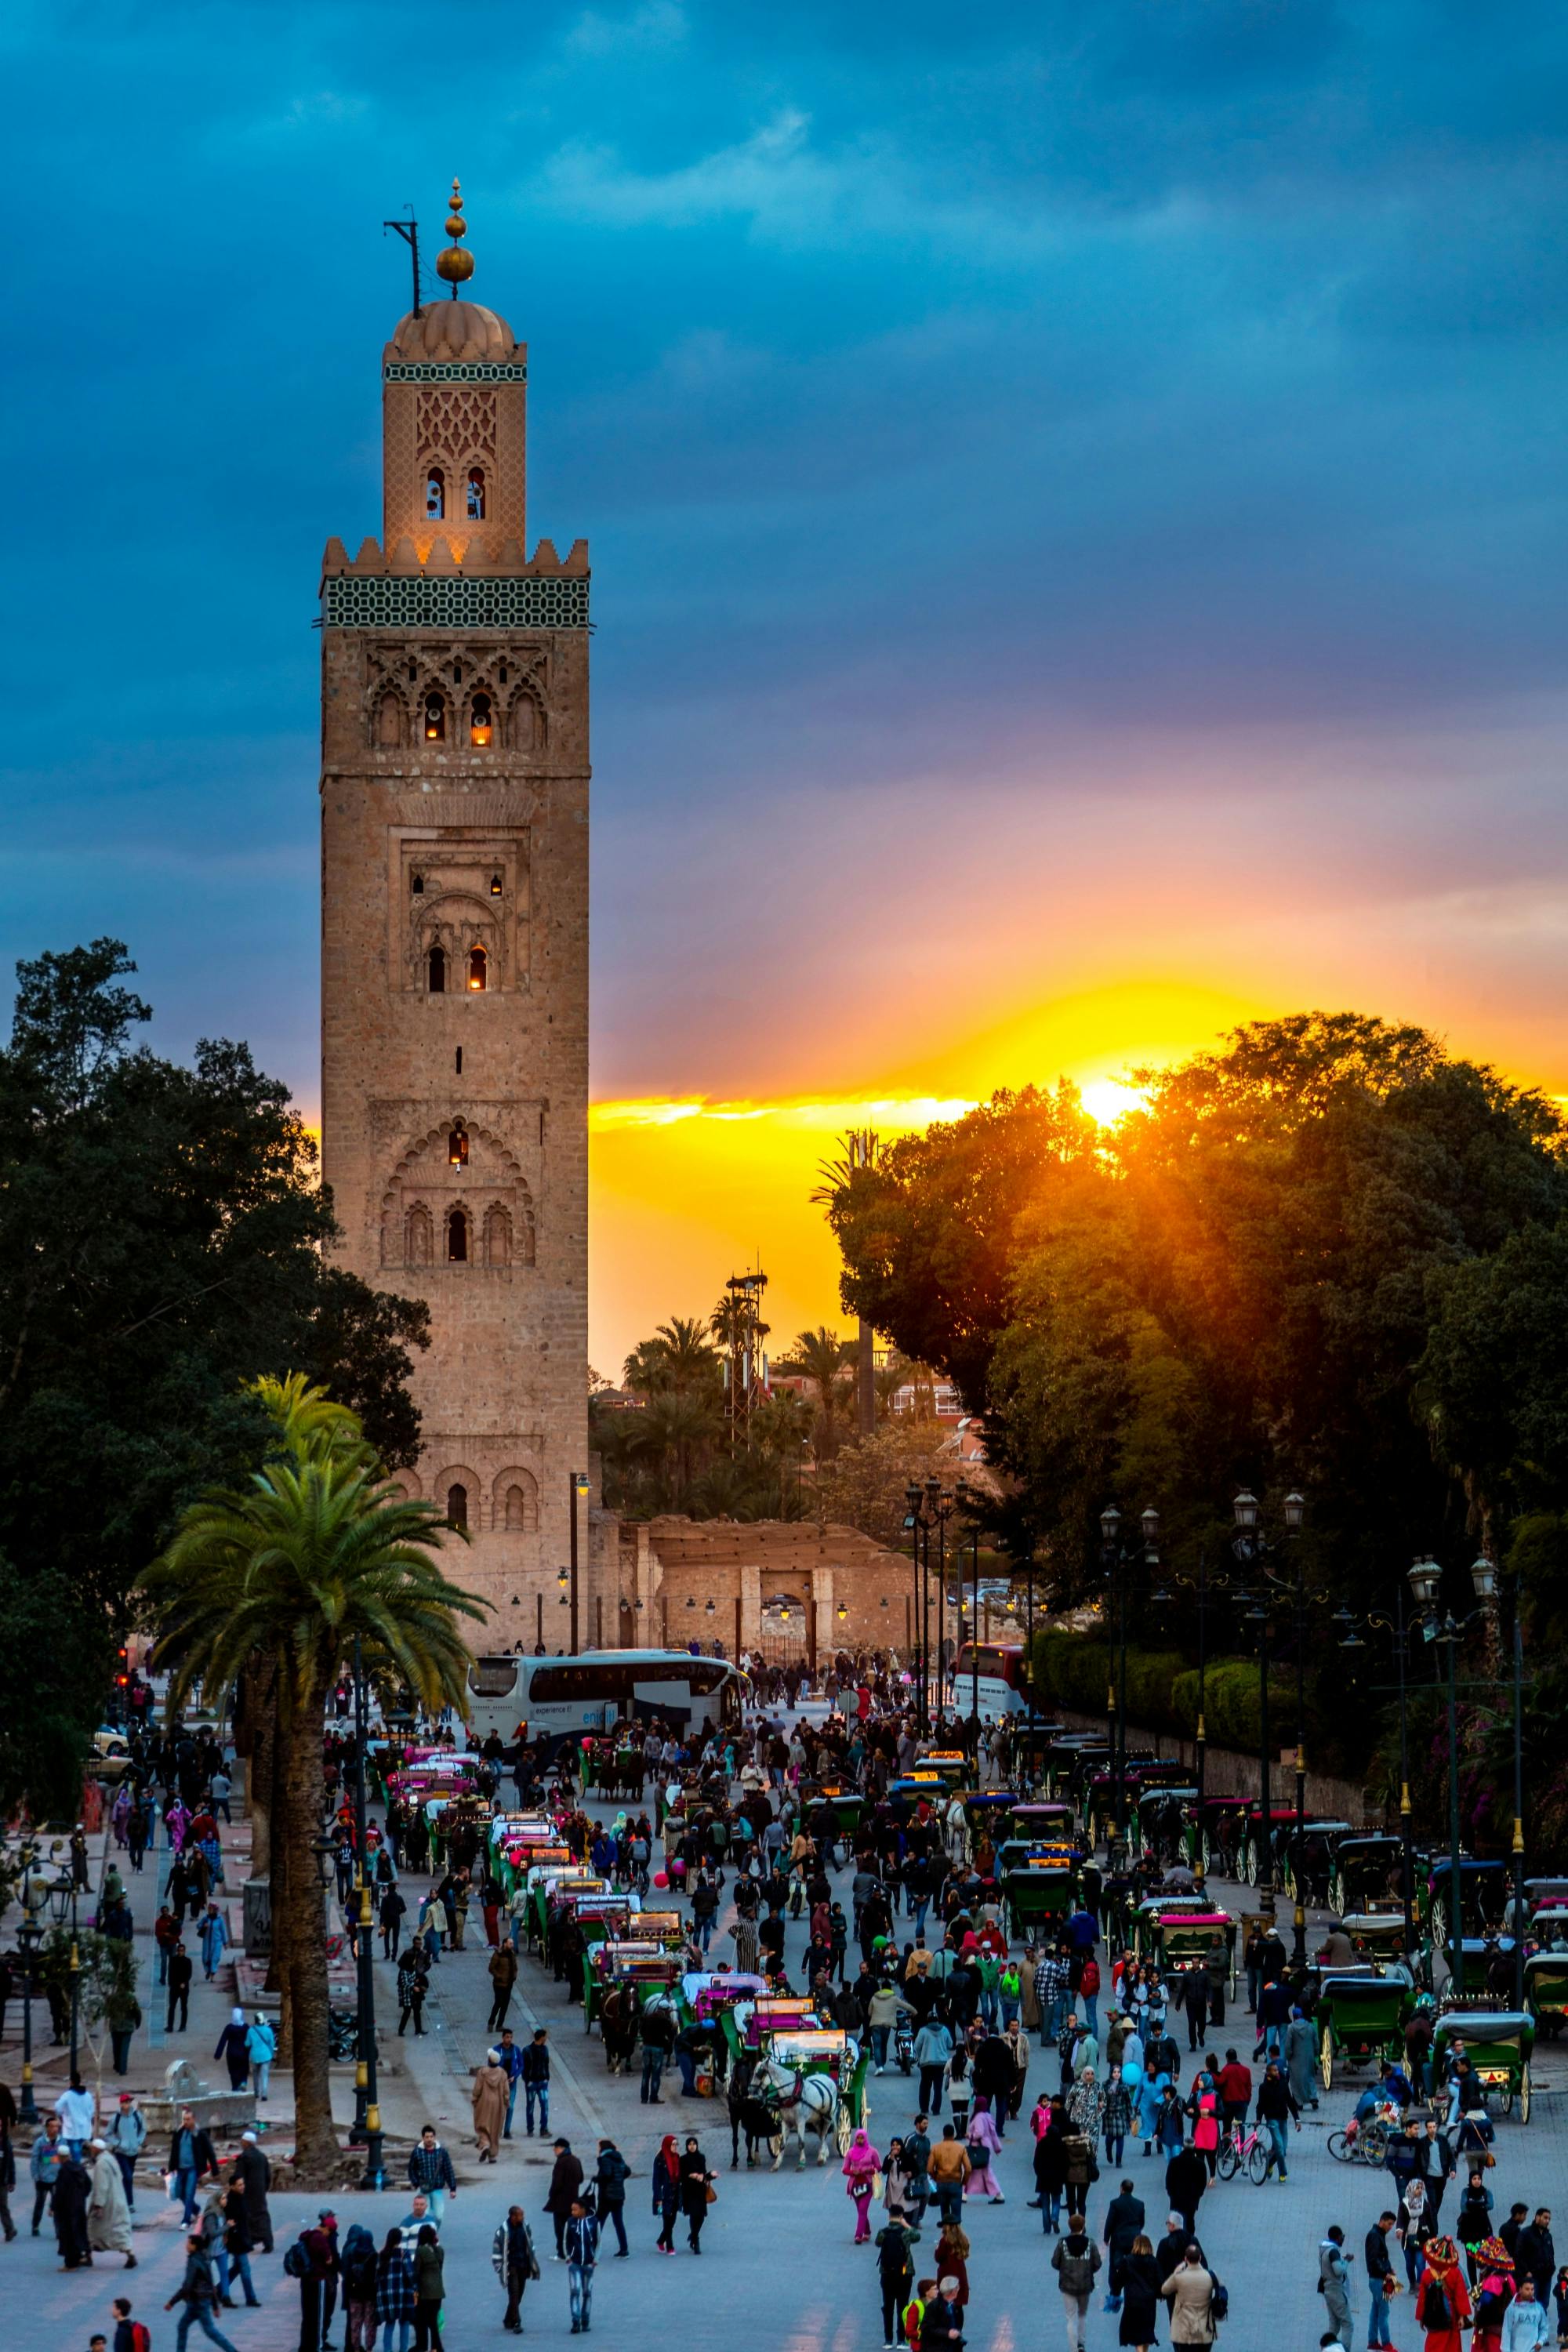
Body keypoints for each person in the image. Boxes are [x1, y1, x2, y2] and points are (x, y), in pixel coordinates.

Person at [165, 2230, 239, 2352]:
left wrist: (172, 2302)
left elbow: (187, 2286)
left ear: (194, 2246)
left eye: (188, 2243)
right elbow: (211, 2283)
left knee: (210, 2331)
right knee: (183, 2327)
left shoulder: (193, 2261)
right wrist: (215, 2305)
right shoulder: (204, 2257)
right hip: (198, 2301)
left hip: (198, 2302)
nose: (186, 2246)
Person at [1053, 2209, 1104, 2352]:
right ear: (1083, 2226)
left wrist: (1064, 2269)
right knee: (1082, 2314)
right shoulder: (1090, 2244)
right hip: (1085, 2285)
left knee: (1070, 2317)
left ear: (1070, 2226)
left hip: (1067, 2285)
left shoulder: (1062, 2243)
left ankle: (1073, 2348)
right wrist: (1089, 2271)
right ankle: (1081, 2343)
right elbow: (1098, 2263)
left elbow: (1055, 2262)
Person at [1417, 2237, 1472, 2352]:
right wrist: (1462, 2317)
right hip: (1451, 2315)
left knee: (1434, 2341)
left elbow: (1422, 2298)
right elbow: (1460, 2296)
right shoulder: (1455, 2273)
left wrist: (1422, 2318)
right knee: (1452, 2342)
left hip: (1432, 2315)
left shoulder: (1427, 2275)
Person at [88, 2139, 136, 2267]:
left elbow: (101, 2185)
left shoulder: (101, 2164)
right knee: (120, 2231)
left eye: (92, 2148)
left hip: (107, 2203)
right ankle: (129, 2253)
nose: (91, 2151)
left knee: (92, 2228)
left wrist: (98, 2205)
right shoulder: (111, 2159)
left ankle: (87, 2255)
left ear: (96, 2149)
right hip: (118, 2200)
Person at [168, 2107, 220, 2229]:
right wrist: (171, 2168)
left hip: (193, 2169)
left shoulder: (200, 2134)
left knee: (189, 2193)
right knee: (178, 2192)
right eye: (184, 2119)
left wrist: (215, 2169)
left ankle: (186, 2221)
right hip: (180, 2169)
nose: (186, 2122)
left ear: (194, 2120)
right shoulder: (179, 2133)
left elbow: (210, 2152)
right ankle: (195, 2209)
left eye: (188, 2119)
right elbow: (174, 2151)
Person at [1102, 2180, 1146, 2314]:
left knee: (1115, 2265)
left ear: (1121, 2188)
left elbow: (1110, 2221)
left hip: (1119, 2239)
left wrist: (1106, 2238)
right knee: (1135, 2262)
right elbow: (1142, 2222)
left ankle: (1115, 2294)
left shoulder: (1115, 2203)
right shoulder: (1139, 2204)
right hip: (1135, 2238)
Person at [877, 2216, 920, 2350]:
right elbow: (917, 2236)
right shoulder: (906, 2233)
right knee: (903, 2306)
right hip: (905, 2273)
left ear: (889, 2216)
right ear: (901, 2217)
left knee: (888, 2307)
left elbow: (878, 2243)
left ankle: (888, 2340)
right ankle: (902, 2339)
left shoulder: (883, 2232)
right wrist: (907, 2225)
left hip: (886, 2273)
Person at [1160, 2245, 1217, 2346]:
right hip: (1205, 2330)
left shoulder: (1178, 2278)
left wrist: (1176, 2272)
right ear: (1200, 2258)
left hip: (1184, 2331)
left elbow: (1164, 2290)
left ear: (1186, 2259)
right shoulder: (1211, 2276)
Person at [376, 2226, 416, 2352]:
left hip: (388, 2295)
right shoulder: (404, 2253)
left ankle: (387, 2350)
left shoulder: (382, 2255)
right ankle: (403, 2350)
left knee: (390, 2323)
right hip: (403, 2294)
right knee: (404, 2323)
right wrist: (416, 2287)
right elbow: (410, 2273)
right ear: (399, 2240)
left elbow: (377, 2276)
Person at [1121, 2232, 1163, 2352]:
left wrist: (1115, 2291)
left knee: (1137, 2334)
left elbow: (1119, 2279)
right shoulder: (1153, 2262)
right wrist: (1160, 2294)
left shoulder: (1128, 2261)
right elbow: (1160, 2281)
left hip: (1132, 2301)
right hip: (1149, 2302)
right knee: (1147, 2331)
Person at [406, 2125, 456, 2224]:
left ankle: (433, 2233)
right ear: (423, 2138)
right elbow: (411, 2169)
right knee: (424, 2214)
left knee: (439, 2215)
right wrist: (416, 2183)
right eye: (427, 2137)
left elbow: (448, 2170)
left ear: (434, 2137)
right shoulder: (417, 2152)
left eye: (431, 2137)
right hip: (423, 2188)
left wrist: (453, 2188)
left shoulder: (442, 2152)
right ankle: (425, 2236)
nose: (429, 2139)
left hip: (437, 2188)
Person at [339, 2221, 378, 2350]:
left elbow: (345, 2270)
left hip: (353, 2291)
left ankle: (353, 2346)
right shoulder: (373, 2254)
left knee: (354, 2322)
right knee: (369, 2323)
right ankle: (369, 2347)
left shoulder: (350, 2250)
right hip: (369, 2294)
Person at [106, 2093, 147, 2213]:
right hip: (121, 2152)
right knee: (128, 2177)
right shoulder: (116, 2118)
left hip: (133, 2151)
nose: (127, 2105)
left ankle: (122, 2199)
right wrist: (118, 2143)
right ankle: (130, 2203)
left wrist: (139, 2141)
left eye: (129, 2102)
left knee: (128, 2177)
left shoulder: (137, 2116)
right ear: (121, 2104)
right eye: (125, 2102)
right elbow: (108, 2134)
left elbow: (143, 2129)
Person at [53, 2144, 92, 2270]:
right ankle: (79, 2257)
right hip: (79, 2207)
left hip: (66, 2209)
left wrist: (54, 2207)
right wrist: (81, 2198)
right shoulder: (79, 2168)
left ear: (59, 2157)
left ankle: (70, 2264)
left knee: (67, 2236)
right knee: (78, 2233)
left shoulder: (63, 2171)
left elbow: (60, 2192)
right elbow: (88, 2184)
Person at [498, 2203, 535, 2332]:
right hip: (511, 2266)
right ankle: (516, 2323)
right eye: (520, 2215)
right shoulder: (503, 2230)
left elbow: (530, 2243)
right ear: (513, 2217)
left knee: (520, 2293)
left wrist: (531, 2261)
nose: (523, 2217)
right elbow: (497, 2250)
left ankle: (508, 2319)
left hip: (523, 2265)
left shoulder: (525, 2226)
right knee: (514, 2293)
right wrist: (500, 2267)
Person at [546, 2138, 585, 2259]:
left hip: (561, 2202)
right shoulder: (576, 2160)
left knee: (560, 2229)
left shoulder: (561, 2162)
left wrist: (551, 2194)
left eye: (556, 2148)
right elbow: (581, 2179)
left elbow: (557, 2183)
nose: (554, 2150)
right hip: (573, 2200)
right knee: (572, 2228)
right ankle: (574, 2250)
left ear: (562, 2149)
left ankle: (562, 2253)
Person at [564, 2198, 599, 2332]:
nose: (572, 2212)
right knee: (575, 2291)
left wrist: (595, 2258)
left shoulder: (594, 2222)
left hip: (589, 2264)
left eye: (575, 2209)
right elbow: (565, 2240)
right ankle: (575, 2321)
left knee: (587, 2293)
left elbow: (599, 2241)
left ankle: (585, 2320)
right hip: (575, 2263)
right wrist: (568, 2257)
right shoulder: (570, 2222)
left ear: (583, 2210)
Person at [1366, 2211, 1398, 2350]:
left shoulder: (1377, 2234)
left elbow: (1380, 2257)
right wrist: (1385, 2273)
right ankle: (1386, 2343)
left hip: (1376, 2279)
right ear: (1382, 2221)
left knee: (1376, 2311)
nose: (1391, 2227)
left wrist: (1389, 2269)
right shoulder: (1375, 2236)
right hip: (1379, 2280)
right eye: (1390, 2224)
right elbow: (1373, 2260)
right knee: (1384, 2313)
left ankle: (1372, 2341)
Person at [844, 2126, 883, 2241]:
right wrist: (852, 2172)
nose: (860, 2140)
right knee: (861, 2211)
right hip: (855, 2185)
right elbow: (844, 2169)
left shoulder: (873, 2152)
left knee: (862, 2209)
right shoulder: (850, 2152)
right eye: (858, 2138)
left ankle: (858, 2235)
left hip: (868, 2184)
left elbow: (879, 2167)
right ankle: (867, 2231)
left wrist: (869, 2170)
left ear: (865, 2139)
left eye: (862, 2138)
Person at [237, 2130, 272, 2254]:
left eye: (243, 2141)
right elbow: (268, 2176)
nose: (241, 2143)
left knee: (248, 2217)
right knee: (262, 2215)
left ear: (247, 2142)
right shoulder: (262, 2157)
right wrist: (264, 2189)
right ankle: (267, 2242)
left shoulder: (244, 2158)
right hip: (260, 2192)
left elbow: (239, 2177)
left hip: (247, 2193)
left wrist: (238, 2190)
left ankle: (250, 2241)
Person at [594, 2139, 630, 2256]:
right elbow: (627, 2171)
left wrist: (597, 2179)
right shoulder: (619, 2158)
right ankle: (624, 2249)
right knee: (619, 2222)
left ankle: (593, 2248)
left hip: (607, 2196)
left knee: (599, 2222)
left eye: (599, 2148)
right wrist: (619, 2180)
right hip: (619, 2196)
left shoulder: (605, 2159)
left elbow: (606, 2174)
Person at [679, 2135, 715, 2253]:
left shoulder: (701, 2157)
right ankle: (696, 2240)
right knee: (694, 2214)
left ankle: (693, 2235)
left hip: (700, 2190)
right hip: (689, 2191)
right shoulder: (683, 2159)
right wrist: (691, 2175)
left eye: (694, 2144)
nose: (692, 2146)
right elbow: (681, 2176)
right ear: (687, 2146)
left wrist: (709, 2175)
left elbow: (704, 2173)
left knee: (701, 2216)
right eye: (690, 2144)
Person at [412, 2223, 444, 2352]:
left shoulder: (421, 2251)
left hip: (425, 2291)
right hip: (438, 2290)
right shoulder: (440, 2250)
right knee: (433, 2321)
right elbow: (439, 2269)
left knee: (420, 2319)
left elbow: (417, 2271)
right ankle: (436, 2347)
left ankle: (422, 2345)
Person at [1319, 2226, 1353, 2349]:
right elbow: (1338, 2271)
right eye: (1342, 2237)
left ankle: (1327, 2348)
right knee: (1348, 2323)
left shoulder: (1324, 2249)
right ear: (1338, 2237)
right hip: (1336, 2291)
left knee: (1334, 2324)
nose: (1343, 2239)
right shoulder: (1333, 2251)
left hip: (1328, 2290)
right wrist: (1347, 2261)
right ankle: (1344, 2349)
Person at [472, 2050, 509, 2163]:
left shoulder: (482, 2072)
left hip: (484, 2102)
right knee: (495, 2128)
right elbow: (506, 2091)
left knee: (482, 2125)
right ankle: (492, 2155)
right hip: (498, 2104)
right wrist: (506, 2102)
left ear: (489, 2060)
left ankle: (485, 2144)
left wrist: (475, 2099)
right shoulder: (502, 2073)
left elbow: (477, 2088)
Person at [31, 2112, 63, 2235]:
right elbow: (34, 2160)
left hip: (57, 2179)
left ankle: (58, 2230)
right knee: (40, 2203)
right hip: (43, 2179)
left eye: (57, 2127)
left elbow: (64, 2158)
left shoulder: (62, 2141)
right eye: (53, 2126)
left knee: (57, 2205)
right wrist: (36, 2176)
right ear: (47, 2128)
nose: (55, 2129)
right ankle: (35, 2227)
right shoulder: (40, 2142)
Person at [652, 2133, 681, 2255]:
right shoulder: (660, 2160)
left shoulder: (677, 2157)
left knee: (672, 2220)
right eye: (673, 2144)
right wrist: (658, 2197)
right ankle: (670, 2246)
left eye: (676, 2144)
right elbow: (656, 2180)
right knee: (667, 2221)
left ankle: (661, 2240)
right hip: (665, 2194)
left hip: (675, 2193)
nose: (675, 2147)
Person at [522, 2027, 551, 2136]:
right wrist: (527, 2080)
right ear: (542, 2037)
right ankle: (530, 2128)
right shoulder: (527, 2050)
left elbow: (546, 2064)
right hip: (532, 2083)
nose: (546, 2038)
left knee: (545, 2105)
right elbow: (523, 2067)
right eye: (546, 2036)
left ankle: (543, 2128)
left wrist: (546, 2077)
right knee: (530, 2106)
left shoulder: (545, 2049)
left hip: (542, 2082)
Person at [212, 2009, 249, 2092]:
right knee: (244, 2069)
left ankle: (235, 2087)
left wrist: (218, 2055)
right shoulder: (246, 2027)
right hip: (243, 2053)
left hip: (231, 2053)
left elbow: (222, 2041)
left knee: (233, 2071)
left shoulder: (229, 2028)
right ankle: (243, 2083)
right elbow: (250, 2039)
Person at [246, 2013, 277, 2101]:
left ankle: (256, 2092)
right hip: (266, 2055)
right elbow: (272, 2043)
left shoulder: (251, 2030)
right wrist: (271, 2054)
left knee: (255, 2075)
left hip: (255, 2056)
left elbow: (247, 2043)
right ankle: (264, 2094)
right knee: (264, 2076)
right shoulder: (268, 2030)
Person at [166, 1939, 194, 2032]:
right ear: (177, 1951)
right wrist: (170, 1983)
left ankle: (183, 2026)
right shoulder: (173, 1960)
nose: (181, 1952)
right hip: (174, 1987)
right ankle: (170, 2026)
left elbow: (189, 1974)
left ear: (184, 1951)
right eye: (179, 1950)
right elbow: (170, 1972)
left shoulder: (188, 1961)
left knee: (184, 2007)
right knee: (172, 2007)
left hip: (183, 1988)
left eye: (182, 1950)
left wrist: (184, 1983)